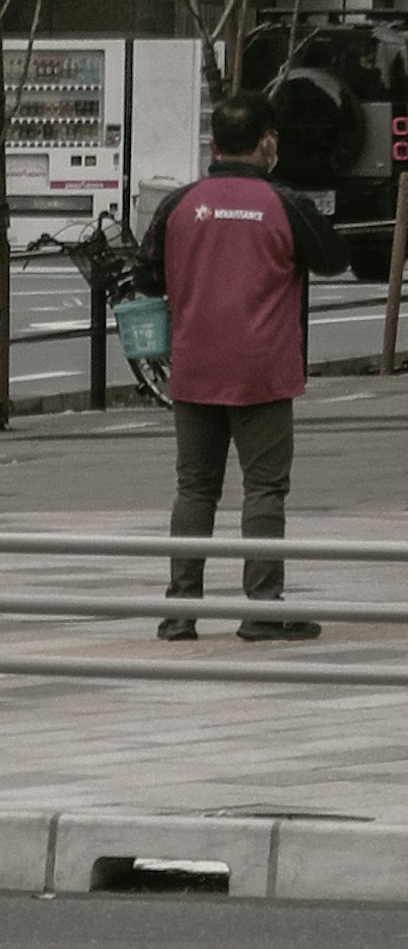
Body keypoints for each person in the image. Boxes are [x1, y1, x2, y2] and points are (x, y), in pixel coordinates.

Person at [152, 98, 356, 633]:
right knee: (264, 489)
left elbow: (147, 277)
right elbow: (336, 259)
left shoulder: (179, 204)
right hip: (263, 372)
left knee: (195, 488)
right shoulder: (283, 204)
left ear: (213, 145)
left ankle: (180, 612)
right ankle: (261, 610)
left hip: (194, 367)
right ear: (267, 141)